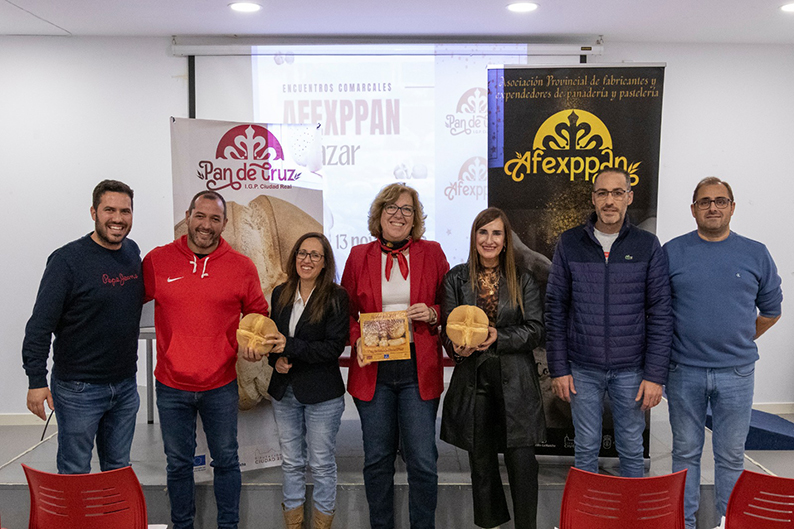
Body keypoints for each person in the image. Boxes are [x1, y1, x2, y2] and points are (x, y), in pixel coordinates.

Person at [143, 190, 268, 529]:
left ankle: (228, 526)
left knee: (226, 461)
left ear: (224, 224)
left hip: (220, 384)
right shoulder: (157, 260)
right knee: (178, 464)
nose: (206, 225)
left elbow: (258, 313)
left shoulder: (242, 267)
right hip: (171, 385)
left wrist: (254, 340)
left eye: (215, 219)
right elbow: (123, 301)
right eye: (200, 216)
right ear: (188, 216)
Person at [664, 177, 782, 529]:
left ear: (732, 207)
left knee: (730, 456)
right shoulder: (672, 251)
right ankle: (681, 523)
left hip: (737, 373)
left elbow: (772, 310)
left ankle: (728, 524)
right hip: (683, 369)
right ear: (693, 209)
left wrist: (741, 338)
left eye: (720, 201)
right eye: (704, 202)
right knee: (685, 454)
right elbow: (656, 308)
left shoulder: (755, 252)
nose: (712, 207)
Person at [545, 167, 673, 477]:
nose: (609, 200)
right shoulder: (570, 243)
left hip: (631, 369)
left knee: (631, 446)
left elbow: (661, 312)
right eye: (602, 193)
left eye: (617, 193)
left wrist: (655, 375)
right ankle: (588, 517)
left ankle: (631, 518)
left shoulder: (647, 244)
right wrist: (559, 368)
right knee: (585, 447)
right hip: (582, 369)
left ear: (629, 198)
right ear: (593, 199)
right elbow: (555, 308)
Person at [341, 183, 449, 529]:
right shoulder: (359, 256)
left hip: (418, 366)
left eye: (407, 209)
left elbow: (450, 304)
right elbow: (346, 312)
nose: (399, 215)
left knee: (422, 461)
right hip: (375, 369)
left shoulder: (432, 252)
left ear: (415, 218)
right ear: (379, 214)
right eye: (392, 207)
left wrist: (433, 313)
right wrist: (356, 339)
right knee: (376, 460)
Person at [22, 179, 143, 474]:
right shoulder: (67, 260)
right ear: (93, 212)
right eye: (109, 210)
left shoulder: (132, 253)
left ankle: (111, 521)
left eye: (125, 211)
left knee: (118, 468)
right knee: (75, 470)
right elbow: (39, 325)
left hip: (125, 386)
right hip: (79, 389)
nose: (117, 219)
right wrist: (36, 381)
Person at [440, 207, 546, 529]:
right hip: (475, 379)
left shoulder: (523, 279)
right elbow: (447, 328)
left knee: (522, 463)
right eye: (482, 232)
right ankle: (490, 524)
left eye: (496, 233)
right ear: (474, 237)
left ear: (506, 240)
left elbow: (537, 329)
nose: (489, 240)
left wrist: (499, 336)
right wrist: (455, 346)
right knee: (482, 465)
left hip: (516, 379)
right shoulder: (456, 278)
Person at [256, 233, 349, 529]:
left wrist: (290, 347)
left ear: (325, 264)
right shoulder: (280, 292)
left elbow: (334, 347)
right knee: (292, 463)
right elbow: (273, 342)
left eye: (314, 255)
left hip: (323, 394)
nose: (306, 260)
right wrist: (276, 359)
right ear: (294, 256)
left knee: (321, 464)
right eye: (302, 253)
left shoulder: (336, 296)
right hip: (285, 391)